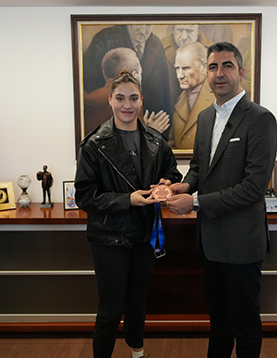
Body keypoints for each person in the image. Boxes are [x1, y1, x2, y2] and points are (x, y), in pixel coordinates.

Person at [166, 42, 277, 358]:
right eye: (213, 67)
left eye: (227, 66)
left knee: (245, 322)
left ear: (241, 72)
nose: (219, 74)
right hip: (210, 240)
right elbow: (199, 168)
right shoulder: (205, 118)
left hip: (242, 242)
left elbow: (253, 188)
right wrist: (184, 186)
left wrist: (195, 202)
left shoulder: (260, 119)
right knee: (218, 319)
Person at [74, 71, 182, 358]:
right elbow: (84, 196)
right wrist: (127, 200)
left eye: (133, 98)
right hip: (109, 238)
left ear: (142, 100)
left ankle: (137, 353)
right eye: (120, 98)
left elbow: (173, 174)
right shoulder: (93, 145)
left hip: (145, 235)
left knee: (138, 302)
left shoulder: (156, 140)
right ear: (110, 100)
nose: (127, 105)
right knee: (110, 309)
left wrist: (166, 183)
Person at [82, 25, 172, 135]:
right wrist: (149, 133)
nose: (143, 31)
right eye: (138, 25)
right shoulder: (104, 39)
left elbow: (164, 92)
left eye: (148, 25)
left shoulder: (155, 43)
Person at [169, 41, 214, 149]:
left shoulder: (218, 98)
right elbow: (173, 142)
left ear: (204, 67)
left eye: (185, 68)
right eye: (177, 68)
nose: (179, 76)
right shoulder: (180, 99)